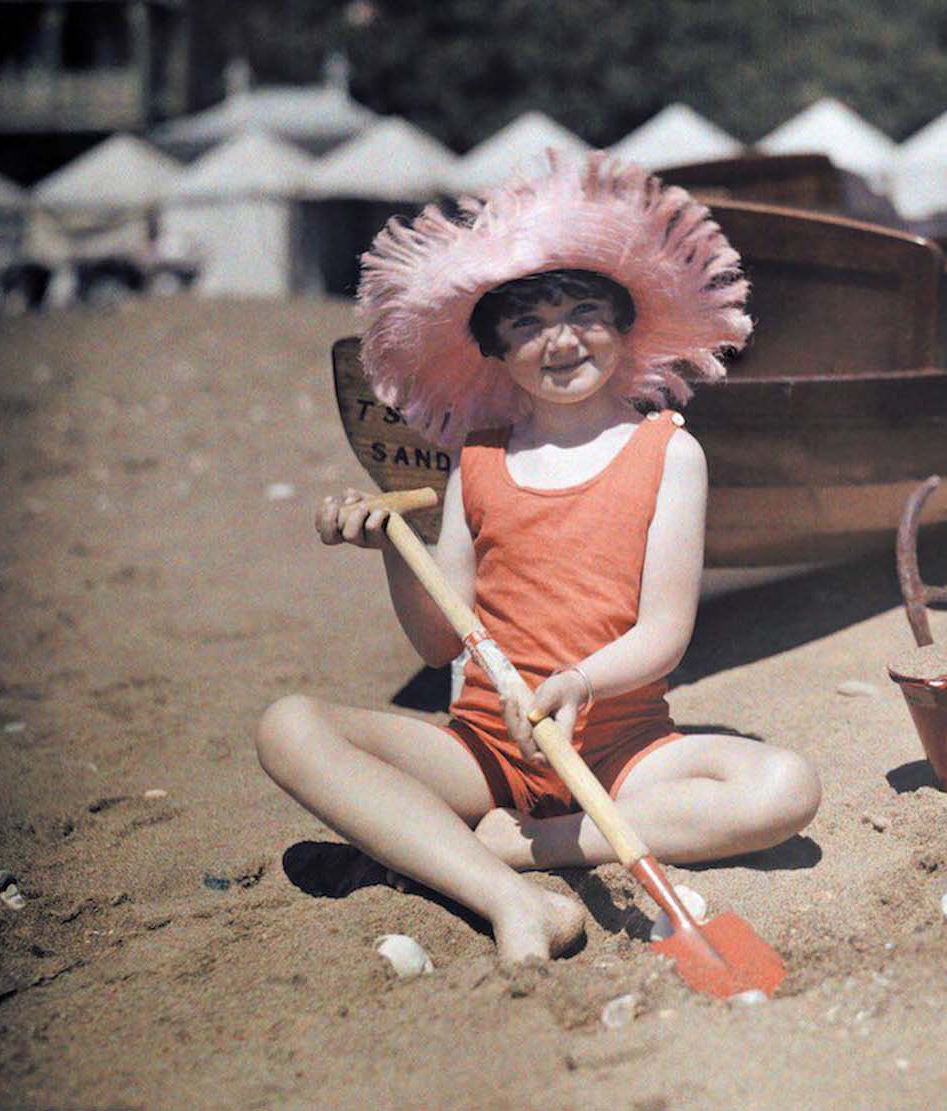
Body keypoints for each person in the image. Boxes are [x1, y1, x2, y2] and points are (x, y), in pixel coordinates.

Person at [256, 155, 822, 964]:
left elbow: (665, 629)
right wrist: (394, 550)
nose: (559, 340)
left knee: (786, 787)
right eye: (526, 322)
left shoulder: (667, 452)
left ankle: (525, 849)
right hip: (485, 749)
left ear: (624, 325)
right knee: (289, 727)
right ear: (494, 347)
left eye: (584, 311)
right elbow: (439, 644)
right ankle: (515, 902)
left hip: (624, 749)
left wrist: (579, 682)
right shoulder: (476, 458)